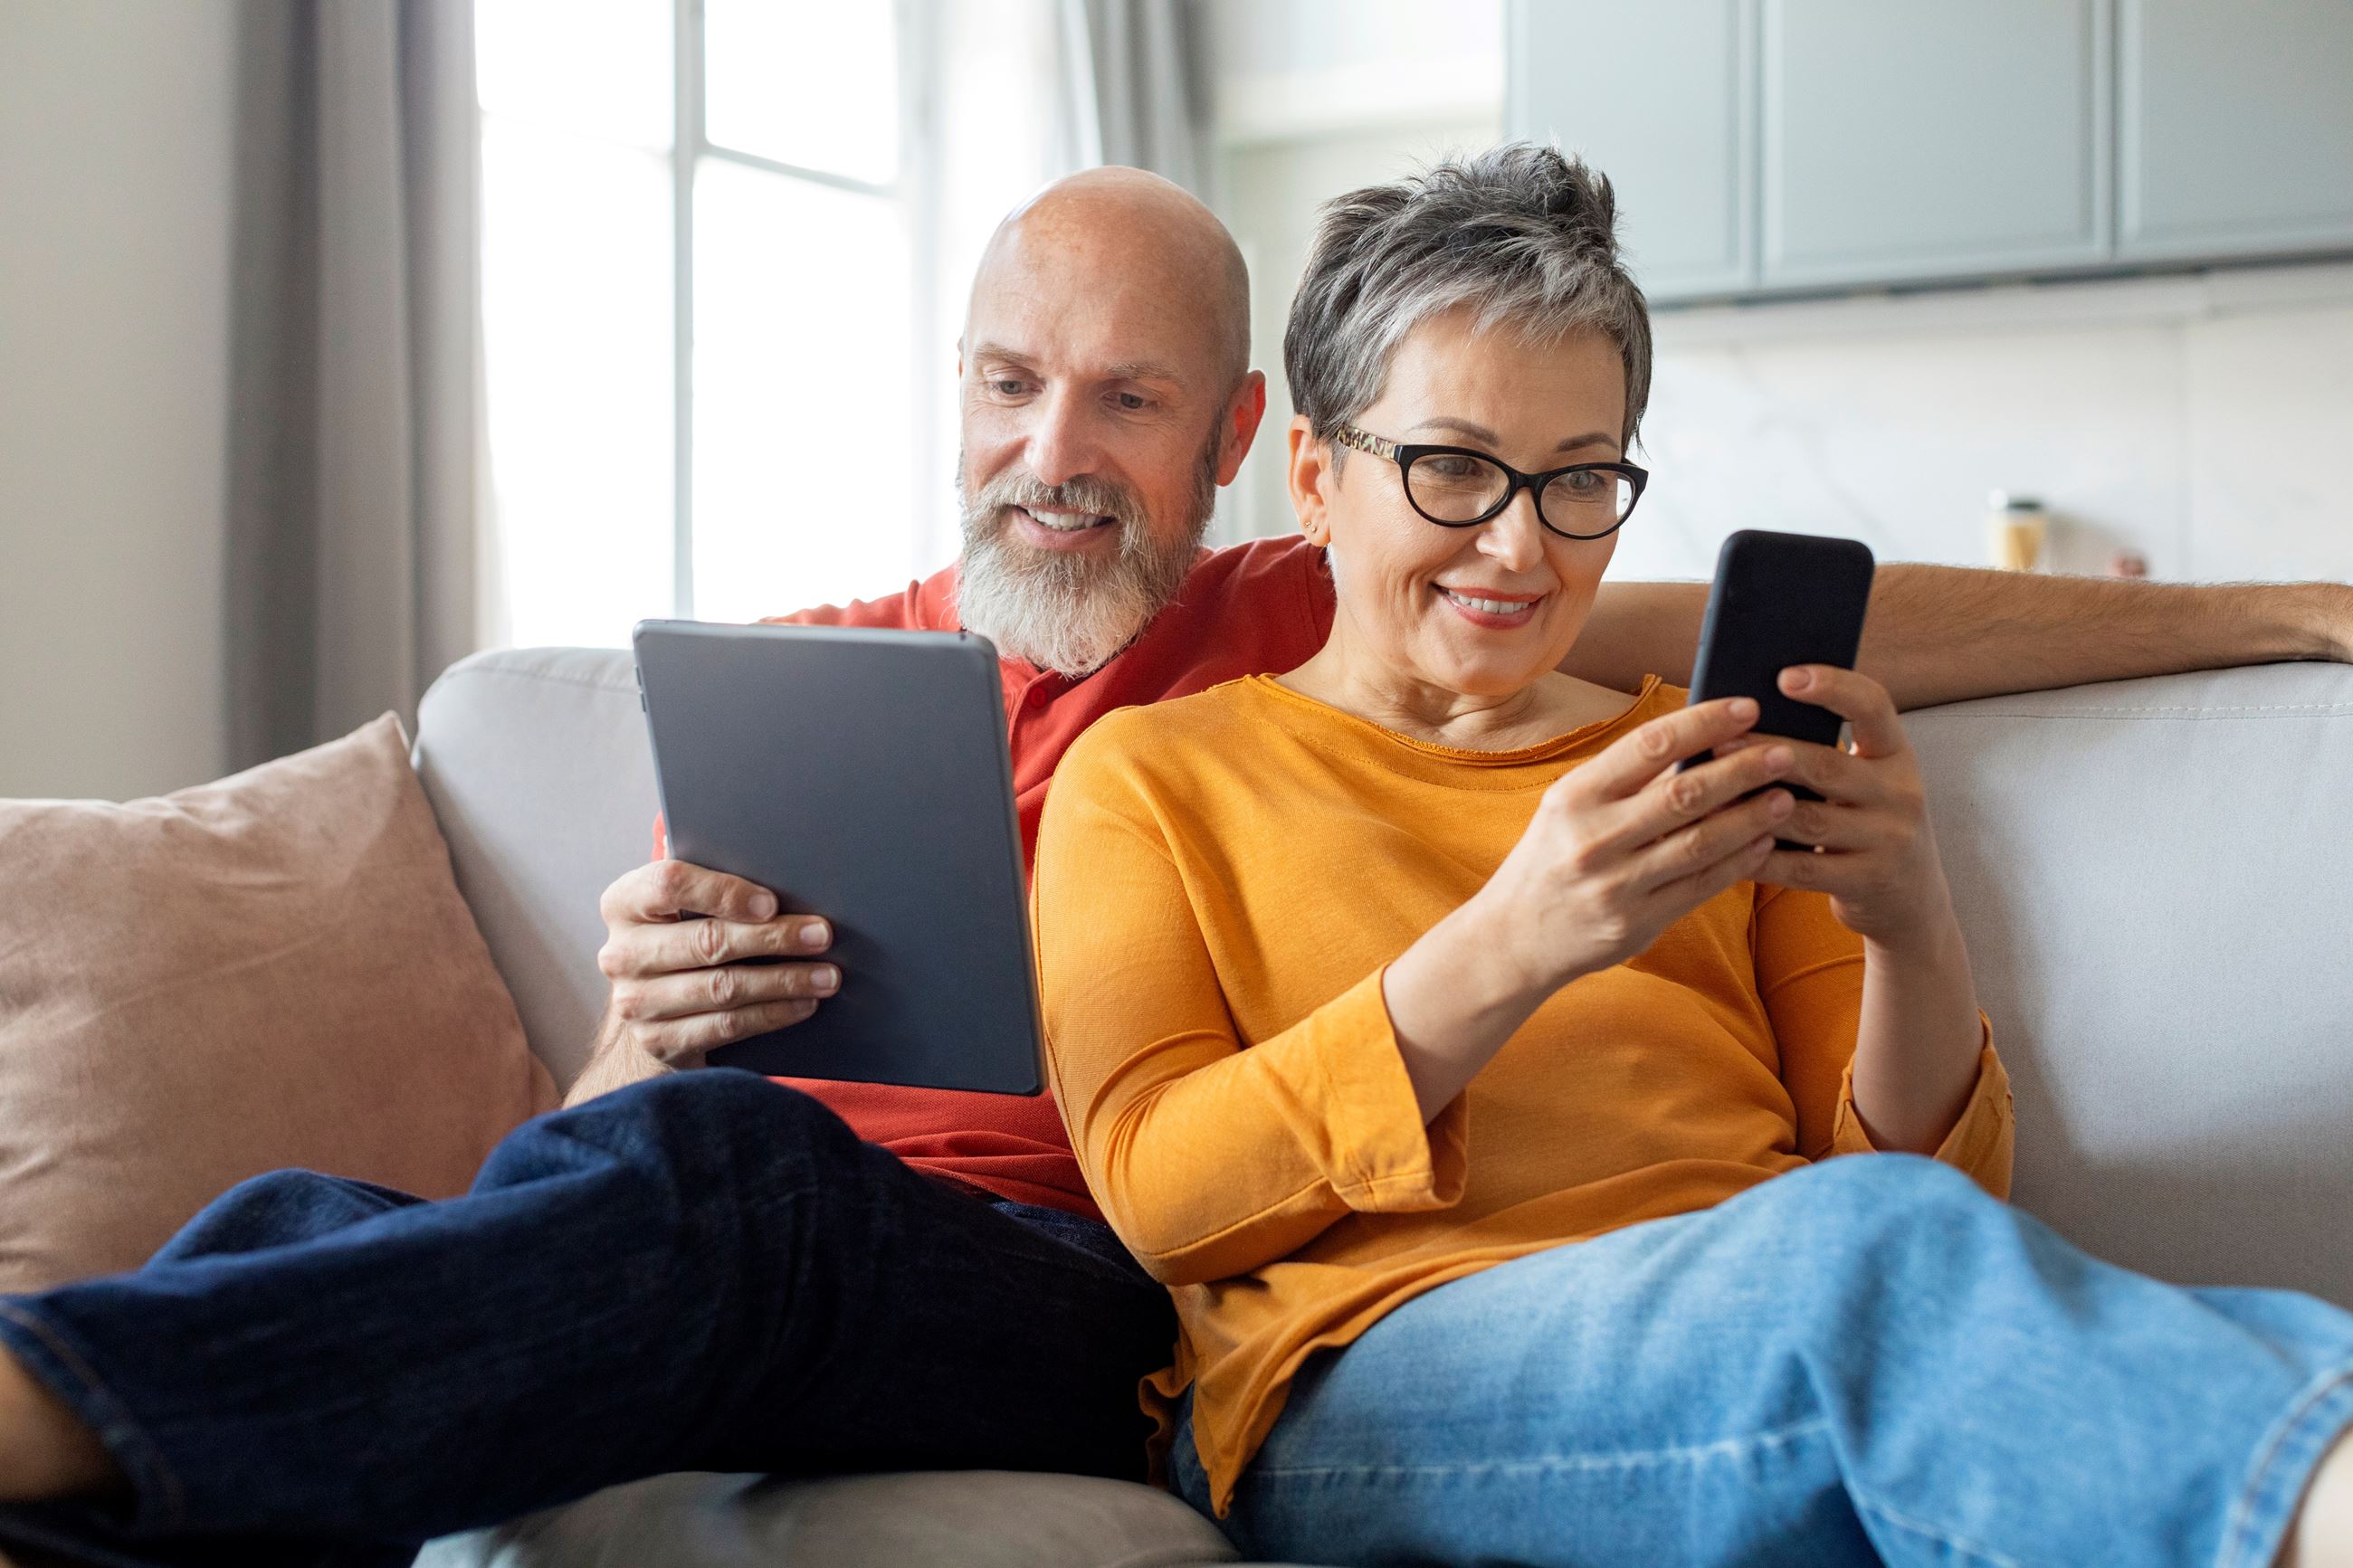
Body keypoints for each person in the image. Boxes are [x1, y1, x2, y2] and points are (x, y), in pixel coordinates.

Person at [0, 158, 2348, 1566]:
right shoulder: (843, 693)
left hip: (1070, 1281)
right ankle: (77, 1444)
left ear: (1244, 448)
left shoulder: (1352, 613)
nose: (1057, 447)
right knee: (468, 1203)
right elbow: (618, 1157)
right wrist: (635, 1031)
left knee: (731, 1189)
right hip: (857, 1235)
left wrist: (2278, 613)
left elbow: (1776, 647)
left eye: (1127, 397)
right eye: (1011, 381)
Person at [1033, 145, 2353, 1568]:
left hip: (1768, 1339)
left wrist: (1909, 918)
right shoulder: (1154, 776)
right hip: (1368, 1380)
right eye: (1454, 467)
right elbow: (1164, 1201)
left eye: (1577, 478)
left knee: (1886, 1300)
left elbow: (1936, 1204)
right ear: (1314, 474)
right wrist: (1515, 939)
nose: (1520, 545)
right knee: (1853, 1273)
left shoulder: (1707, 754)